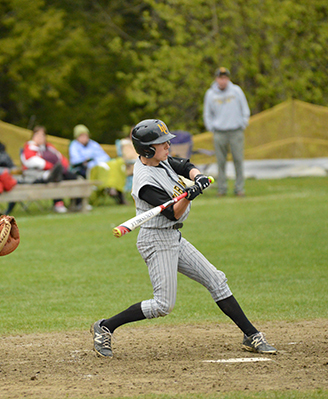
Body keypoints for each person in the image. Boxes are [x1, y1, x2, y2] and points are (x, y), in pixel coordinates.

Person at [90, 119, 276, 358]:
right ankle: (105, 326)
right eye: (162, 143)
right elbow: (172, 213)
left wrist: (197, 178)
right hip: (156, 240)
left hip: (172, 236)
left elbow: (183, 165)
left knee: (217, 281)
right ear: (147, 150)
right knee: (163, 305)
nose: (168, 146)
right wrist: (189, 196)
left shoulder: (161, 159)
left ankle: (251, 335)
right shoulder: (145, 182)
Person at [203, 67, 250, 197]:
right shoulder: (211, 94)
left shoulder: (236, 91)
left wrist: (243, 123)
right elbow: (207, 113)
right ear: (216, 79)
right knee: (221, 161)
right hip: (219, 132)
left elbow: (245, 109)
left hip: (235, 131)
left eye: (224, 78)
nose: (222, 81)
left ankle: (239, 188)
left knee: (238, 160)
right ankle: (222, 188)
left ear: (228, 79)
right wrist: (211, 127)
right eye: (220, 78)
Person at [21, 125, 79, 213]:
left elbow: (61, 158)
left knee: (73, 177)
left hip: (55, 171)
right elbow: (32, 161)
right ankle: (58, 203)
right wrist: (52, 167)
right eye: (38, 135)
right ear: (33, 136)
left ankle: (77, 203)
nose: (41, 138)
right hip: (38, 175)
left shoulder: (49, 147)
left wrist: (63, 166)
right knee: (55, 178)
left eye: (42, 135)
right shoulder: (29, 147)